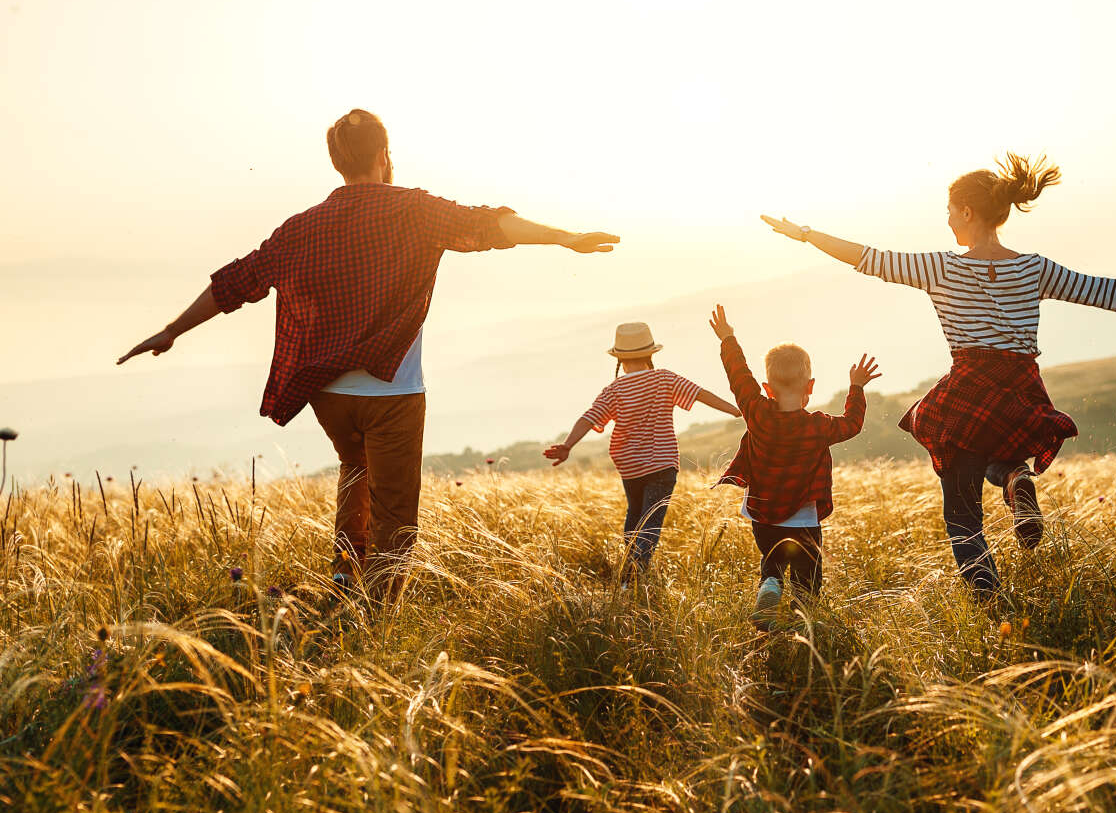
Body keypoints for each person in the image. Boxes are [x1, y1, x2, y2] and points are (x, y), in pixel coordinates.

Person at [118, 108, 620, 600]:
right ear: (384, 155)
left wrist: (171, 330)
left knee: (354, 470)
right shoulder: (414, 209)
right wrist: (565, 238)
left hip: (328, 395)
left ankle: (343, 577)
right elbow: (489, 225)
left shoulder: (301, 227)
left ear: (338, 162)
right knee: (395, 512)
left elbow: (236, 282)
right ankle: (377, 615)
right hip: (393, 393)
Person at [760, 153, 1116, 597]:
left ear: (966, 210)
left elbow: (867, 257)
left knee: (961, 512)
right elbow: (1102, 290)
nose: (946, 220)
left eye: (948, 211)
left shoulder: (941, 267)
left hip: (970, 385)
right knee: (995, 451)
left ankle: (991, 601)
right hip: (1021, 385)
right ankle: (1015, 478)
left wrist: (804, 234)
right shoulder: (1033, 267)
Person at [707, 304, 880, 629]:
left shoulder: (756, 411)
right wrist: (856, 387)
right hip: (803, 517)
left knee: (773, 559)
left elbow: (739, 377)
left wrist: (728, 339)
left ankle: (771, 583)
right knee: (807, 575)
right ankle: (802, 624)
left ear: (767, 388)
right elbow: (852, 424)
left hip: (762, 513)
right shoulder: (818, 426)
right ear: (810, 387)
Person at [543, 322, 741, 580]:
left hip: (630, 466)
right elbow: (701, 394)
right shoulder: (665, 378)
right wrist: (736, 410)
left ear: (620, 359)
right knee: (651, 521)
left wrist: (568, 445)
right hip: (662, 464)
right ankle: (635, 574)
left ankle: (629, 571)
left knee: (634, 515)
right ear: (650, 354)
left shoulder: (614, 390)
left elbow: (588, 418)